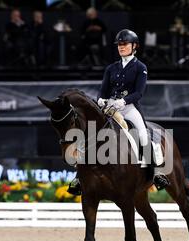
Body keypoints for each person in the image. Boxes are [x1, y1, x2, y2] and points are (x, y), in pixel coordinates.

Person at [68, 29, 170, 195]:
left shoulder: (140, 67)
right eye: (119, 45)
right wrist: (100, 100)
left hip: (129, 108)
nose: (121, 47)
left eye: (125, 44)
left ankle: (157, 172)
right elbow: (103, 90)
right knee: (89, 133)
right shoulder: (111, 68)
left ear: (134, 46)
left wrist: (123, 101)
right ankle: (79, 176)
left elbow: (139, 93)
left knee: (143, 133)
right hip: (109, 107)